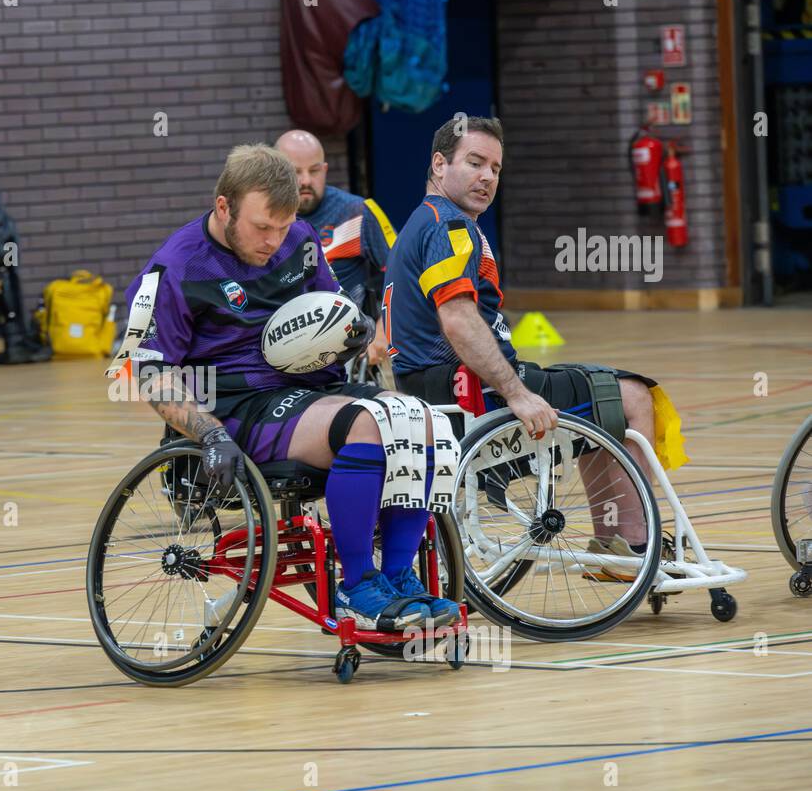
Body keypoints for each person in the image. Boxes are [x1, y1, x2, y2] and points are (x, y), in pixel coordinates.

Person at [118, 143, 458, 630]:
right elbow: (148, 373)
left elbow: (335, 307)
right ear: (224, 206)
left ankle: (399, 579)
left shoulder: (299, 239)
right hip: (236, 407)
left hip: (311, 388)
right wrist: (209, 433)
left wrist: (355, 329)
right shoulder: (175, 267)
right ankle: (357, 588)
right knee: (365, 426)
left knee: (424, 420)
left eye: (283, 227)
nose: (274, 241)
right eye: (262, 228)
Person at [384, 115, 678, 575]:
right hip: (471, 396)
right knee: (631, 395)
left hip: (436, 394)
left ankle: (614, 539)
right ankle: (632, 547)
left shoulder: (421, 224)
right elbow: (458, 321)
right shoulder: (450, 228)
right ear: (439, 165)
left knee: (596, 386)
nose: (487, 177)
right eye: (475, 163)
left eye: (496, 169)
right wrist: (519, 395)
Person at [274, 128, 397, 372]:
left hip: (351, 352)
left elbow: (403, 274)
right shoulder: (262, 220)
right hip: (284, 351)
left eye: (314, 170)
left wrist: (384, 332)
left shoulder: (360, 212)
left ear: (325, 170)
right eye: (295, 171)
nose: (306, 180)